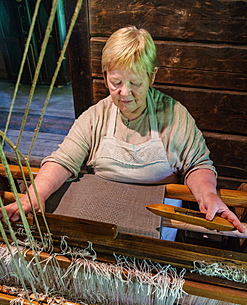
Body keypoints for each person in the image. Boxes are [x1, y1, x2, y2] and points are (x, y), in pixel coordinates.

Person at [1, 26, 244, 235]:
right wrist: (36, 194)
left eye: (135, 83)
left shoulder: (175, 116)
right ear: (105, 75)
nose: (124, 93)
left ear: (152, 77)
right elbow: (63, 160)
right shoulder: (96, 116)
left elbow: (197, 165)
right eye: (116, 82)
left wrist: (208, 195)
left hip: (158, 217)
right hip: (99, 209)